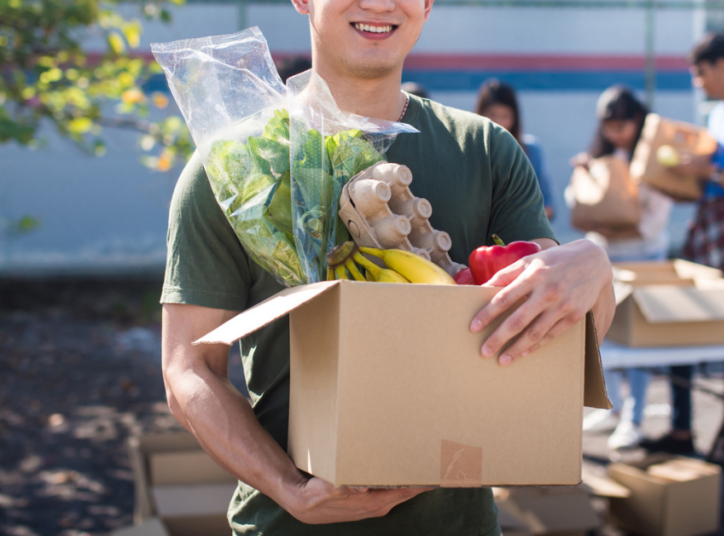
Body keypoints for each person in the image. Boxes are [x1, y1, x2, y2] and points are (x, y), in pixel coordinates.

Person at [160, 1, 617, 534]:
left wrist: (594, 267)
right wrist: (291, 489)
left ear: (427, 5)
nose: (379, 3)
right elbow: (188, 371)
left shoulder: (485, 151)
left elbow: (560, 339)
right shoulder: (237, 169)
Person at [640, 33, 724, 471]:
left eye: (700, 72)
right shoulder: (718, 116)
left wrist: (709, 170)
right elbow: (709, 178)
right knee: (684, 319)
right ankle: (683, 429)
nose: (697, 82)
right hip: (709, 221)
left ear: (723, 66)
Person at [568, 85, 673, 450]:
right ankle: (612, 407)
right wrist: (584, 175)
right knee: (604, 334)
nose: (615, 133)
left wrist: (613, 222)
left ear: (637, 121)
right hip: (606, 256)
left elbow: (654, 220)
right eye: (609, 126)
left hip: (645, 257)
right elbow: (578, 203)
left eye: (622, 125)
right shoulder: (599, 155)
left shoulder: (651, 158)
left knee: (638, 339)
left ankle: (635, 417)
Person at [476, 79, 555, 221]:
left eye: (505, 116)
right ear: (479, 114)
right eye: (492, 114)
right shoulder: (469, 152)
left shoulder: (531, 150)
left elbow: (547, 206)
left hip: (522, 236)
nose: (498, 123)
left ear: (515, 118)